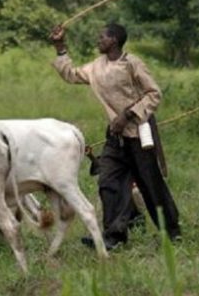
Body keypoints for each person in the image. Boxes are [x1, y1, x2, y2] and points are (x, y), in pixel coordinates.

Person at [49, 22, 181, 249]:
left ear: (114, 40)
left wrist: (128, 115)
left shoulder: (132, 63)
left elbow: (154, 94)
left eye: (102, 37)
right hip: (115, 137)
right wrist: (60, 46)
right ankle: (114, 236)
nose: (98, 40)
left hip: (139, 134)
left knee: (151, 185)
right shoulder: (96, 67)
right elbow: (71, 74)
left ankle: (172, 232)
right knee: (108, 182)